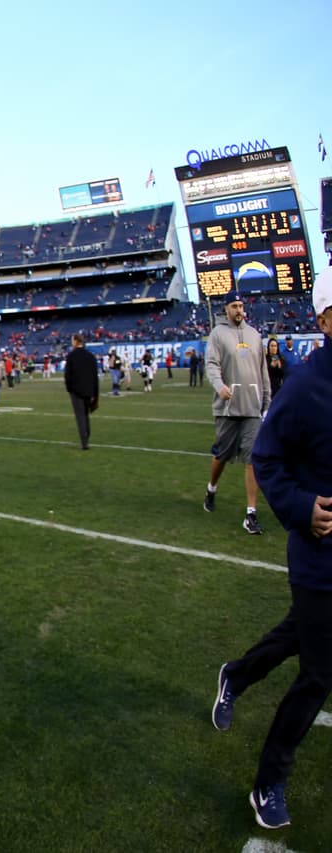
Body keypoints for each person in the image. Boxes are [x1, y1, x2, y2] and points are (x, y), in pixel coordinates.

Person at [209, 270, 332, 830]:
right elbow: (267, 459)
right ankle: (269, 781)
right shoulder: (307, 386)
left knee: (296, 635)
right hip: (321, 559)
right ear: (325, 319)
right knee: (319, 673)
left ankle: (235, 675)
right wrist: (303, 508)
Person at [203, 291, 271, 534]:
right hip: (228, 408)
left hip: (252, 407)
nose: (239, 310)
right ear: (227, 309)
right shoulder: (218, 334)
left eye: (241, 305)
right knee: (222, 454)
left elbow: (263, 371)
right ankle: (211, 488)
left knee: (253, 458)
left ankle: (250, 514)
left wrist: (266, 402)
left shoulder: (254, 335)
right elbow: (211, 364)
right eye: (234, 306)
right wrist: (219, 386)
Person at [63, 334, 99, 450]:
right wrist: (95, 393)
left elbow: (68, 375)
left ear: (76, 341)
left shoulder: (71, 356)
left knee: (80, 416)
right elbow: (95, 376)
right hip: (88, 390)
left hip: (76, 391)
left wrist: (69, 388)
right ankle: (86, 436)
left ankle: (84, 441)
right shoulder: (90, 356)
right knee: (86, 415)